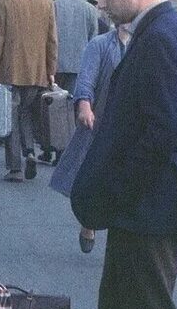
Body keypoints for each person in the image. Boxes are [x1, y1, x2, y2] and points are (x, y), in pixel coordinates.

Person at [69, 0, 177, 309]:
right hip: (150, 202)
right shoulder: (168, 30)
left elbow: (165, 131)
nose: (102, 5)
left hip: (150, 204)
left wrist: (117, 189)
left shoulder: (159, 38)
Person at [50, 19, 128, 253]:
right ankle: (89, 222)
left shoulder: (144, 46)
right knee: (96, 176)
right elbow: (86, 80)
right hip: (101, 122)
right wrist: (84, 104)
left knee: (125, 179)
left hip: (129, 124)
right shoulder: (100, 45)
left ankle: (120, 233)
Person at [0, 0, 58, 182]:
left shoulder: (3, 1)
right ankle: (30, 152)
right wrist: (51, 69)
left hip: (10, 70)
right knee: (26, 114)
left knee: (11, 116)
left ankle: (16, 166)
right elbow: (52, 40)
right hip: (37, 71)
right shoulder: (46, 3)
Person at [53, 0, 102, 95]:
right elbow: (93, 39)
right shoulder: (90, 9)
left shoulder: (53, 6)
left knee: (56, 105)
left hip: (56, 65)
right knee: (75, 102)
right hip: (80, 65)